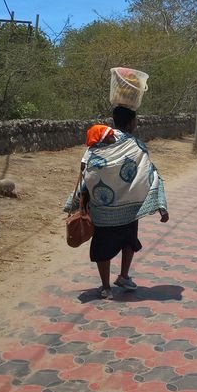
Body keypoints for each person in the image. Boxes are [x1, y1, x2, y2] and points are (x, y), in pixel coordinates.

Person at [79, 106, 169, 299]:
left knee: (102, 245)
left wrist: (81, 198)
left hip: (103, 206)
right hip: (129, 206)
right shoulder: (134, 144)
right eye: (135, 121)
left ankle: (106, 287)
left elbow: (86, 168)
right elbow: (149, 172)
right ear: (131, 123)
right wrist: (161, 205)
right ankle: (124, 275)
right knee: (128, 240)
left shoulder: (100, 139)